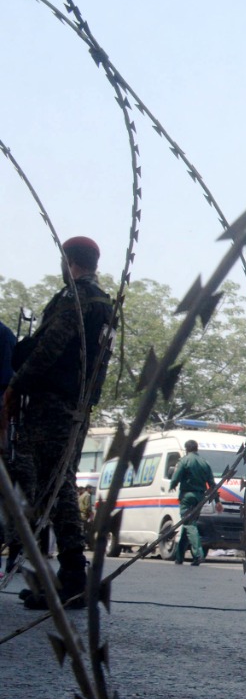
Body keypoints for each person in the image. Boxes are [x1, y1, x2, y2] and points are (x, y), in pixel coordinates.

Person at [5, 236, 113, 610]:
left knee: (55, 485)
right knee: (54, 485)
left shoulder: (76, 298)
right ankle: (61, 579)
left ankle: (72, 578)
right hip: (76, 405)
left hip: (53, 405)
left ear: (69, 262)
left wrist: (15, 386)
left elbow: (49, 348)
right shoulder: (102, 302)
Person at [168, 439, 221, 565]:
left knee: (189, 525)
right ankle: (179, 557)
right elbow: (212, 484)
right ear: (197, 449)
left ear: (186, 449)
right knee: (188, 524)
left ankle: (198, 554)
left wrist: (172, 485)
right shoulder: (205, 463)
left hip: (187, 496)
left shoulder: (184, 461)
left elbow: (176, 476)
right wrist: (217, 501)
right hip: (200, 498)